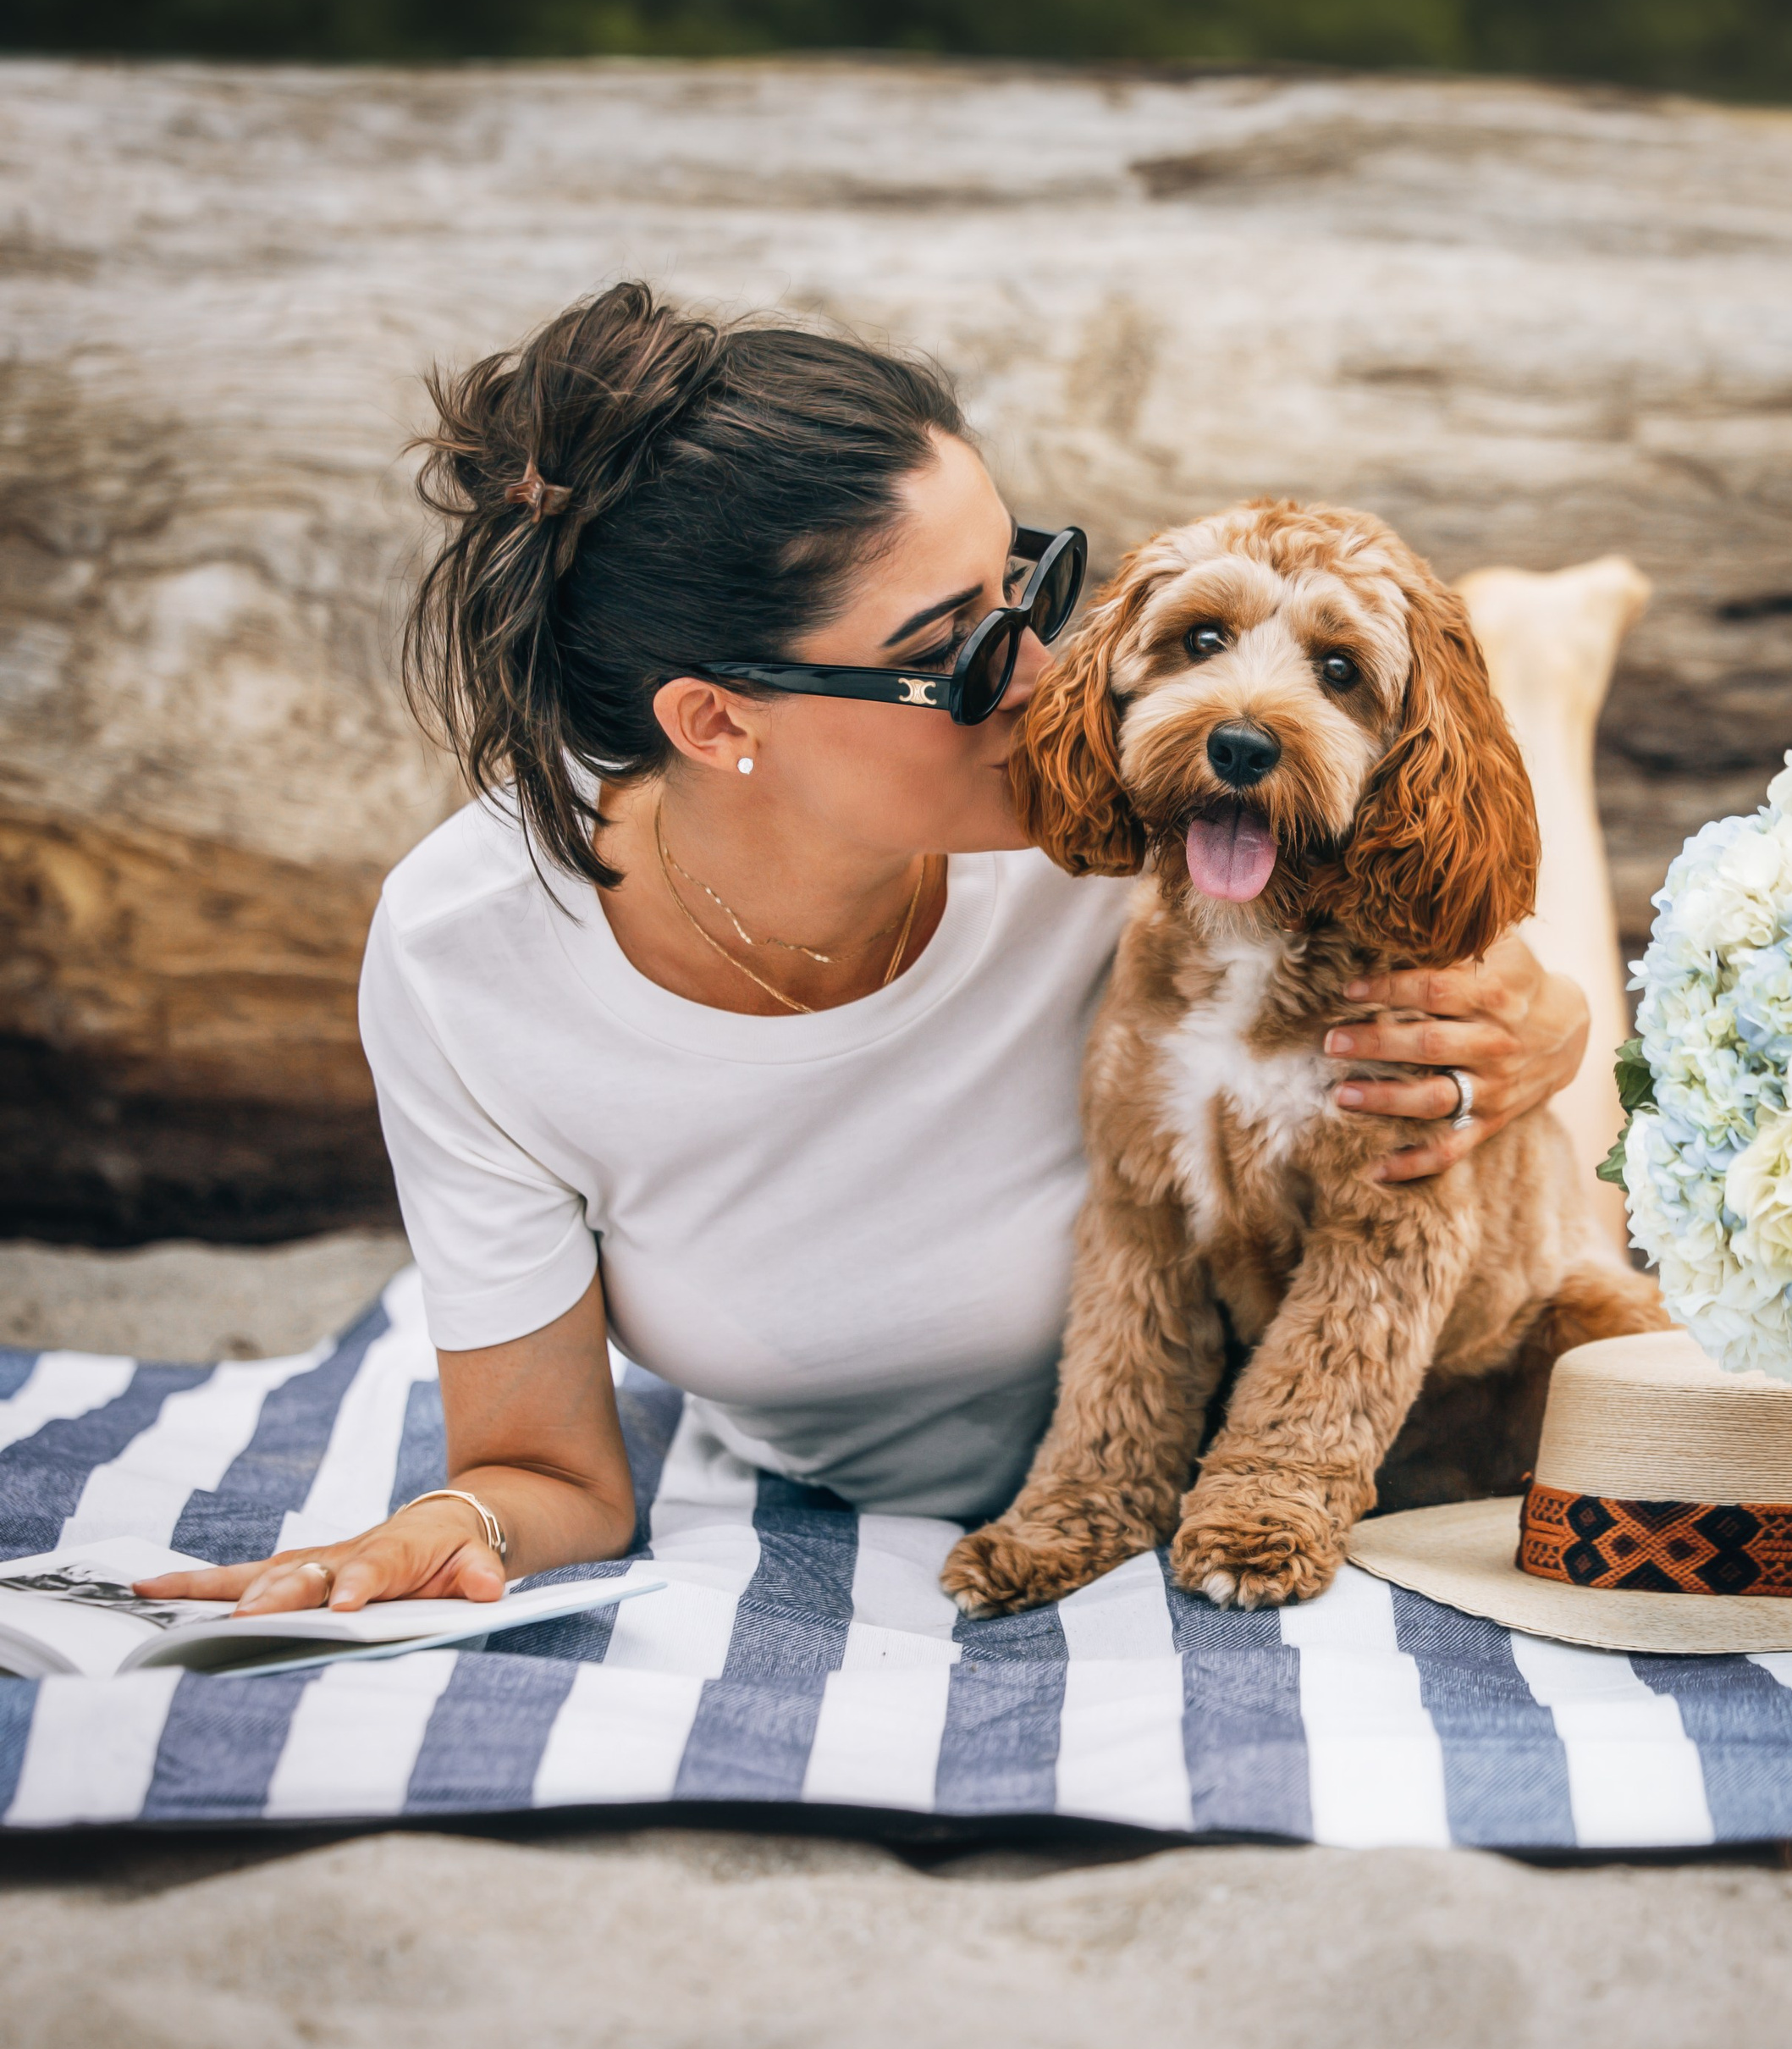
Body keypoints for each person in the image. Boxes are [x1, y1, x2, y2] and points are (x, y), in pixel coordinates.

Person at [140, 284, 1643, 1620]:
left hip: (1373, 1298)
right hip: (994, 1483)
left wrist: (1552, 1026)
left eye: (1030, 590)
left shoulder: (1139, 810)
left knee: (1555, 1125)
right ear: (715, 721)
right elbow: (548, 1474)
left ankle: (1542, 683)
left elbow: (1455, 958)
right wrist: (440, 1528)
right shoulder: (470, 963)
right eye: (956, 648)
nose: (1052, 679)